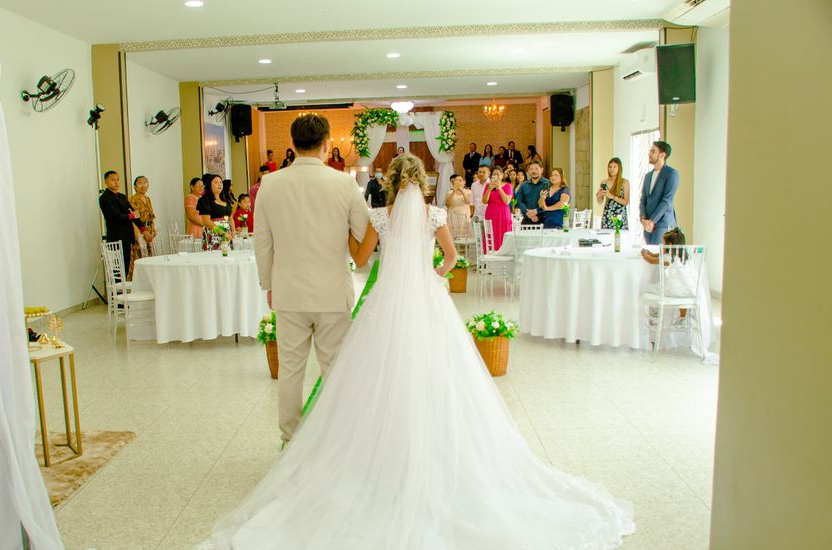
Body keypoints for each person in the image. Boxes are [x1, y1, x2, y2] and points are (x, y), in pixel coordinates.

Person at [197, 153, 635, 550]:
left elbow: (362, 259)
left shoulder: (381, 217)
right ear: (420, 183)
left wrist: (345, 240)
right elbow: (451, 257)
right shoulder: (434, 214)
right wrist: (433, 277)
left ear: (389, 182)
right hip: (427, 303)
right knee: (438, 374)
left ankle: (359, 451)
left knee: (374, 373)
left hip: (385, 303)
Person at [252, 113, 370, 444]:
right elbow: (362, 235)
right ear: (327, 143)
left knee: (290, 369)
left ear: (292, 145)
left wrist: (268, 284)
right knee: (334, 367)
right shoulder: (344, 183)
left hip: (288, 290)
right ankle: (336, 437)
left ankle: (290, 437)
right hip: (333, 289)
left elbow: (262, 241)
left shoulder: (270, 185)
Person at [98, 170, 143, 276]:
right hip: (115, 237)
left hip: (127, 237)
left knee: (126, 268)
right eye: (113, 180)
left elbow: (133, 213)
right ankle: (117, 292)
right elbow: (115, 217)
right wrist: (131, 216)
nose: (116, 182)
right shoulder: (104, 198)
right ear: (106, 182)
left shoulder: (122, 196)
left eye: (118, 180)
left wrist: (143, 229)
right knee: (117, 271)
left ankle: (122, 291)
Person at [640, 141, 679, 245]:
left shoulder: (671, 174)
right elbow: (643, 199)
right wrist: (643, 219)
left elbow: (666, 201)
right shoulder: (648, 176)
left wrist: (652, 221)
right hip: (648, 225)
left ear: (662, 155)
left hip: (663, 224)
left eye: (653, 151)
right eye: (650, 151)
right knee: (649, 256)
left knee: (658, 257)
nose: (649, 154)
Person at [197, 173, 236, 249]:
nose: (219, 184)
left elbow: (230, 218)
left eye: (221, 182)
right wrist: (222, 233)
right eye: (216, 182)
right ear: (209, 185)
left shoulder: (226, 201)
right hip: (214, 234)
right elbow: (207, 221)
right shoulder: (205, 200)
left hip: (227, 235)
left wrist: (233, 230)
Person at [483, 166, 514, 250]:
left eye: (498, 174)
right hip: (491, 213)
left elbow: (506, 201)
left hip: (503, 213)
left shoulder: (508, 186)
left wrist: (499, 188)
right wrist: (489, 189)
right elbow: (484, 201)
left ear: (502, 175)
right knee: (491, 234)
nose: (496, 176)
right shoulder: (488, 186)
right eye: (494, 174)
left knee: (504, 233)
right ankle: (490, 253)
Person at [128, 175, 156, 261]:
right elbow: (133, 219)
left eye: (145, 183)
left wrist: (153, 228)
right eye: (140, 183)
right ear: (135, 187)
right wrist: (138, 235)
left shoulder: (147, 199)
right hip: (138, 231)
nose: (143, 186)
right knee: (139, 257)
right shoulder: (132, 200)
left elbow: (151, 216)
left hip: (148, 231)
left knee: (150, 258)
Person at [514, 159, 550, 225]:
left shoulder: (548, 184)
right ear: (528, 171)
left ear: (542, 170)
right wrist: (528, 213)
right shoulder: (524, 185)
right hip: (527, 219)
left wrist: (536, 212)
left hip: (544, 220)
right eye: (531, 169)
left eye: (536, 169)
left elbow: (549, 202)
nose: (534, 171)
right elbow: (519, 201)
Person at [598, 157, 630, 230]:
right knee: (606, 239)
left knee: (619, 239)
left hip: (620, 216)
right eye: (610, 167)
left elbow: (626, 202)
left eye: (614, 167)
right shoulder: (604, 182)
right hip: (607, 215)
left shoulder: (625, 182)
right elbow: (600, 202)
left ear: (619, 168)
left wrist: (612, 196)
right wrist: (599, 194)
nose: (612, 169)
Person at [444, 172, 472, 239]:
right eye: (457, 180)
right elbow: (448, 204)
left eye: (460, 180)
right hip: (453, 216)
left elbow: (468, 202)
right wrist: (454, 191)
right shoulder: (450, 192)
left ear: (464, 182)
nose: (459, 182)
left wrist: (462, 191)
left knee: (465, 237)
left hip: (465, 217)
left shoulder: (468, 191)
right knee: (453, 237)